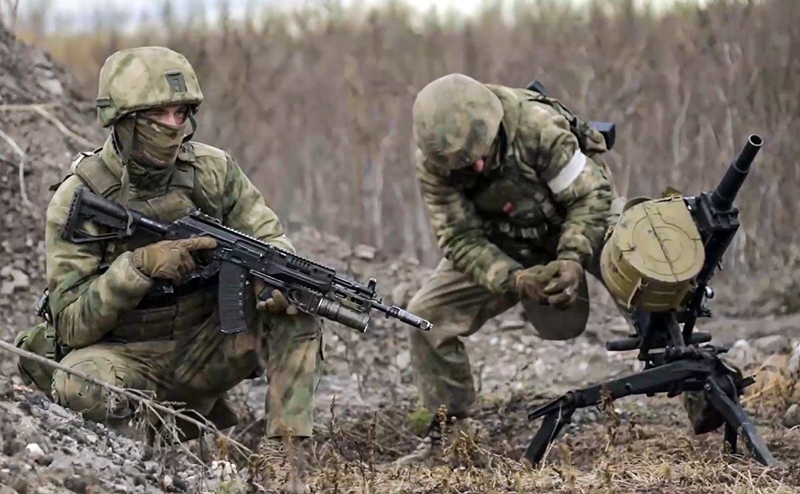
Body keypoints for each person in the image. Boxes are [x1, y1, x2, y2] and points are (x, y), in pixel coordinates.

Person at [14, 46, 320, 493]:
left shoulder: (212, 172)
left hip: (205, 345)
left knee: (298, 305)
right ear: (124, 119)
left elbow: (271, 240)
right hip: (126, 356)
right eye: (161, 114)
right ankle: (140, 467)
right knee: (79, 383)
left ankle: (284, 460)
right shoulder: (81, 198)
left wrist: (274, 282)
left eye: (183, 113)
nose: (176, 127)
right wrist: (137, 268)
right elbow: (71, 324)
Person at [395, 73, 715, 466]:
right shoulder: (435, 165)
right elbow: (460, 239)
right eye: (466, 164)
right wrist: (513, 278)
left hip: (581, 220)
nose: (477, 165)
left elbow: (592, 196)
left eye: (482, 153)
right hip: (507, 240)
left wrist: (570, 257)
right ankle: (450, 435)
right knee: (426, 315)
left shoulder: (537, 127)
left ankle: (701, 386)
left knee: (643, 259)